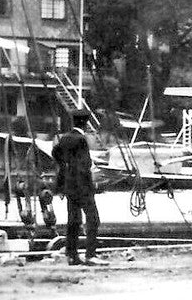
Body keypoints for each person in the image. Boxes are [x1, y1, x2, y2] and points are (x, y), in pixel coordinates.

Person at [52, 108, 106, 266]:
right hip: (83, 186)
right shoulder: (81, 140)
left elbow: (56, 155)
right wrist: (91, 183)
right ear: (85, 122)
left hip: (69, 186)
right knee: (93, 219)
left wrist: (62, 180)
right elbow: (85, 164)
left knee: (73, 220)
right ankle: (90, 254)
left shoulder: (65, 138)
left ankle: (72, 255)